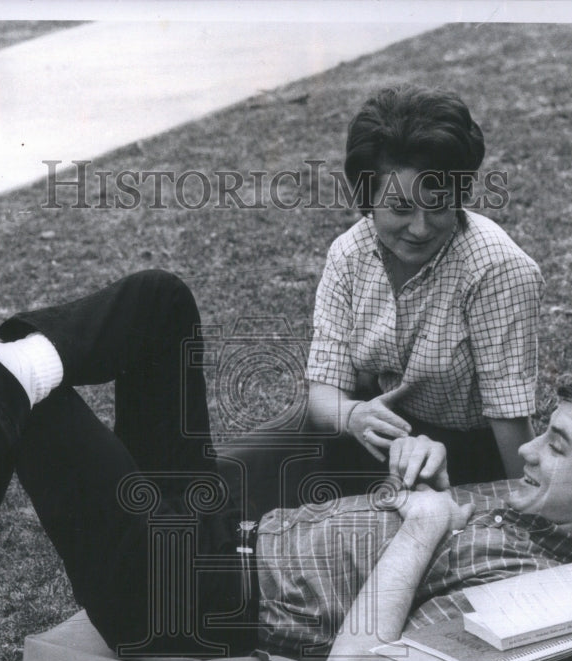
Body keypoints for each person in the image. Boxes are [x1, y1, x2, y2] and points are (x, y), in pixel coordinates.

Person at [0, 272, 572, 661]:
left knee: (19, 398)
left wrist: (423, 523)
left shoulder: (539, 596)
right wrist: (422, 481)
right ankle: (4, 368)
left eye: (557, 447)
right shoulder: (529, 522)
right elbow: (423, 530)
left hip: (180, 598)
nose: (527, 451)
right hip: (212, 535)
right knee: (161, 303)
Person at [222, 86, 544, 517]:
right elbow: (324, 396)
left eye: (439, 205)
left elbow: (510, 422)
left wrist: (525, 512)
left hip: (457, 454)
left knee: (365, 521)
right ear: (367, 198)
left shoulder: (498, 269)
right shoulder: (349, 253)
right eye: (400, 208)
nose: (420, 227)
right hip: (369, 428)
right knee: (230, 470)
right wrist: (351, 417)